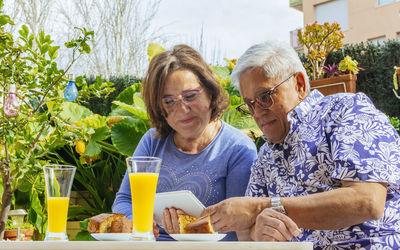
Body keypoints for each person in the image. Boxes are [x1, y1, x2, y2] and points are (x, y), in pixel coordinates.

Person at [201, 41, 400, 249]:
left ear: (299, 84)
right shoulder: (266, 154)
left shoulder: (346, 111)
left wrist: (263, 207)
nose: (257, 113)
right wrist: (259, 233)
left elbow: (367, 201)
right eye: (250, 104)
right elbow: (247, 230)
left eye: (264, 97)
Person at [112, 44, 257, 241]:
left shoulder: (238, 149)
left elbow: (241, 228)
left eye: (190, 96)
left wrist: (192, 230)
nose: (182, 109)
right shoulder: (153, 141)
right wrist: (140, 222)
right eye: (169, 101)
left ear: (210, 92)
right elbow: (124, 200)